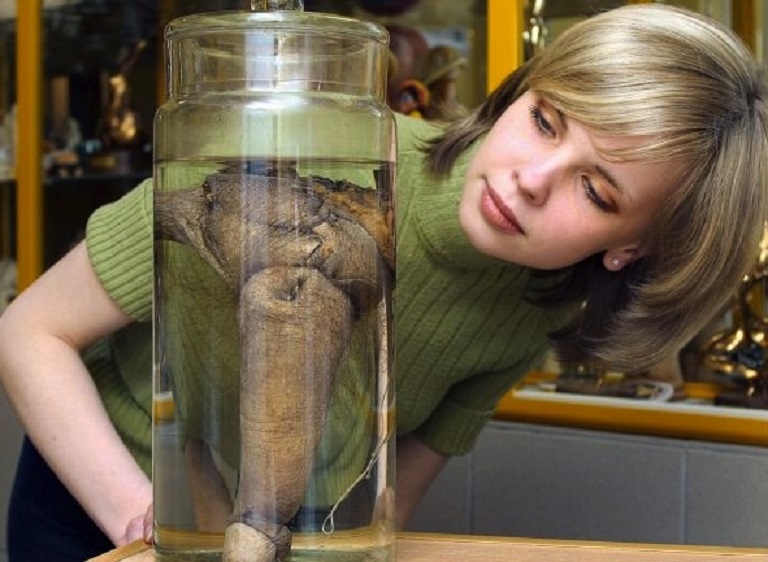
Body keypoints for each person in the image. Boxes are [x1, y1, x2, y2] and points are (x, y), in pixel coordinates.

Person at [1, 4, 767, 560]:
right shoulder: (322, 146)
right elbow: (29, 330)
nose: (531, 179)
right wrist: (147, 523)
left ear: (630, 250)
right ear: (519, 92)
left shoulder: (534, 309)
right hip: (98, 496)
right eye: (545, 120)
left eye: (595, 191)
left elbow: (383, 503)